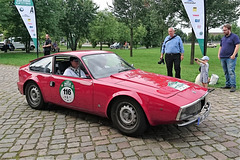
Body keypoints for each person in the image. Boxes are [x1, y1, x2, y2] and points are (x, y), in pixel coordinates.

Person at [218, 24, 240, 92]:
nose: (224, 31)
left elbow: (237, 45)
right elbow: (221, 46)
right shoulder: (223, 38)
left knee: (231, 71)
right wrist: (219, 54)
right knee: (225, 71)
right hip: (223, 57)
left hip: (230, 57)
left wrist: (234, 54)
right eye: (223, 30)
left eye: (225, 30)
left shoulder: (234, 37)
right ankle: (228, 84)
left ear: (229, 30)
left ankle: (233, 85)